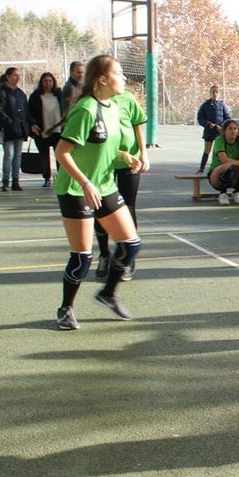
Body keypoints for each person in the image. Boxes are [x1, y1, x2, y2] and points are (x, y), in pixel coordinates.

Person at [52, 55, 143, 330]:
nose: (124, 78)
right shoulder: (86, 109)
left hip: (104, 185)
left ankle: (107, 293)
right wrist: (85, 183)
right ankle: (65, 309)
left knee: (131, 245)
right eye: (119, 73)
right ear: (102, 79)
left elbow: (98, 146)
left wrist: (125, 157)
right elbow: (62, 152)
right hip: (75, 188)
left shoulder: (114, 108)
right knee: (82, 256)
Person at [95, 88, 149, 280]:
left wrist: (143, 152)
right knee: (100, 207)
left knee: (129, 206)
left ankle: (127, 259)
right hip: (104, 162)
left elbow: (137, 125)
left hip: (130, 160)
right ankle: (104, 254)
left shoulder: (127, 98)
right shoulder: (94, 100)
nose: (123, 79)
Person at [0, 67, 31, 191]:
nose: (17, 77)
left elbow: (26, 111)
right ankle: (5, 181)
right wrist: (9, 122)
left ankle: (15, 180)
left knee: (17, 155)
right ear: (8, 76)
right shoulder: (0, 92)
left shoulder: (20, 93)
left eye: (18, 75)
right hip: (8, 129)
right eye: (15, 75)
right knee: (8, 154)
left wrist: (30, 124)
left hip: (19, 129)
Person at [28, 72, 65, 187]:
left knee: (59, 155)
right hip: (42, 131)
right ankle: (46, 178)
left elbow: (65, 110)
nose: (48, 83)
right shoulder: (35, 96)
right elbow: (29, 112)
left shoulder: (59, 94)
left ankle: (61, 177)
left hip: (57, 130)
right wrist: (33, 124)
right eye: (45, 81)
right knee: (44, 156)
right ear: (41, 82)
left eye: (50, 81)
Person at [207, 119, 239, 205]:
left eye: (235, 128)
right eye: (230, 128)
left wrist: (234, 163)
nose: (233, 131)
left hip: (233, 173)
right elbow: (224, 160)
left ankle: (236, 192)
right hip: (216, 176)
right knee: (228, 166)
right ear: (224, 131)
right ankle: (223, 194)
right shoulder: (219, 140)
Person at [196, 85, 232, 174]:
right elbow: (200, 118)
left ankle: (226, 168)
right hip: (209, 132)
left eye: (216, 92)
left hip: (220, 132)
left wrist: (223, 127)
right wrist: (208, 124)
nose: (215, 94)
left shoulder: (222, 105)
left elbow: (228, 118)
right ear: (210, 93)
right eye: (213, 92)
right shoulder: (205, 105)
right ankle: (201, 169)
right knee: (206, 151)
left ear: (219, 94)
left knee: (222, 151)